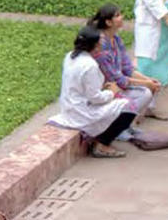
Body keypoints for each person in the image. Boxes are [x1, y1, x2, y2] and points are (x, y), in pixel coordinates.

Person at [52, 24, 135, 158]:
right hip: (82, 112)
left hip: (69, 107)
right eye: (100, 41)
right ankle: (102, 143)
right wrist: (112, 92)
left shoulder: (70, 57)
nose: (103, 43)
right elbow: (95, 98)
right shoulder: (90, 65)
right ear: (95, 45)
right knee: (129, 106)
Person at [89, 3, 162, 133]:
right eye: (117, 15)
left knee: (146, 90)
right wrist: (146, 83)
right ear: (108, 22)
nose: (122, 17)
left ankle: (124, 125)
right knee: (144, 93)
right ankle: (116, 129)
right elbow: (117, 79)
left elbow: (127, 68)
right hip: (105, 89)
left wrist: (149, 80)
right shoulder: (101, 47)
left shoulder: (116, 39)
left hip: (117, 85)